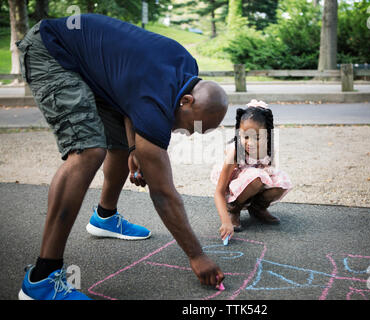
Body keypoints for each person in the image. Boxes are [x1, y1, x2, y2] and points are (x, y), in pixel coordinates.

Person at [16, 14, 228, 300]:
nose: (185, 133)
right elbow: (163, 194)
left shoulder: (185, 69)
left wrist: (132, 148)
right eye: (190, 126)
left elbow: (129, 93)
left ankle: (105, 216)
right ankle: (41, 279)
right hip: (52, 50)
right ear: (186, 101)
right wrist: (197, 255)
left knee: (115, 146)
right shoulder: (157, 106)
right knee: (89, 150)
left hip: (90, 66)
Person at [211, 100, 292, 241]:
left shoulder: (268, 149)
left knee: (281, 180)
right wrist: (225, 220)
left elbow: (270, 170)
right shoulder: (236, 152)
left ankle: (257, 208)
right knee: (256, 176)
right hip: (237, 184)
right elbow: (218, 191)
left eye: (257, 137)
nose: (251, 143)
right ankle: (234, 209)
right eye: (246, 136)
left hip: (257, 181)